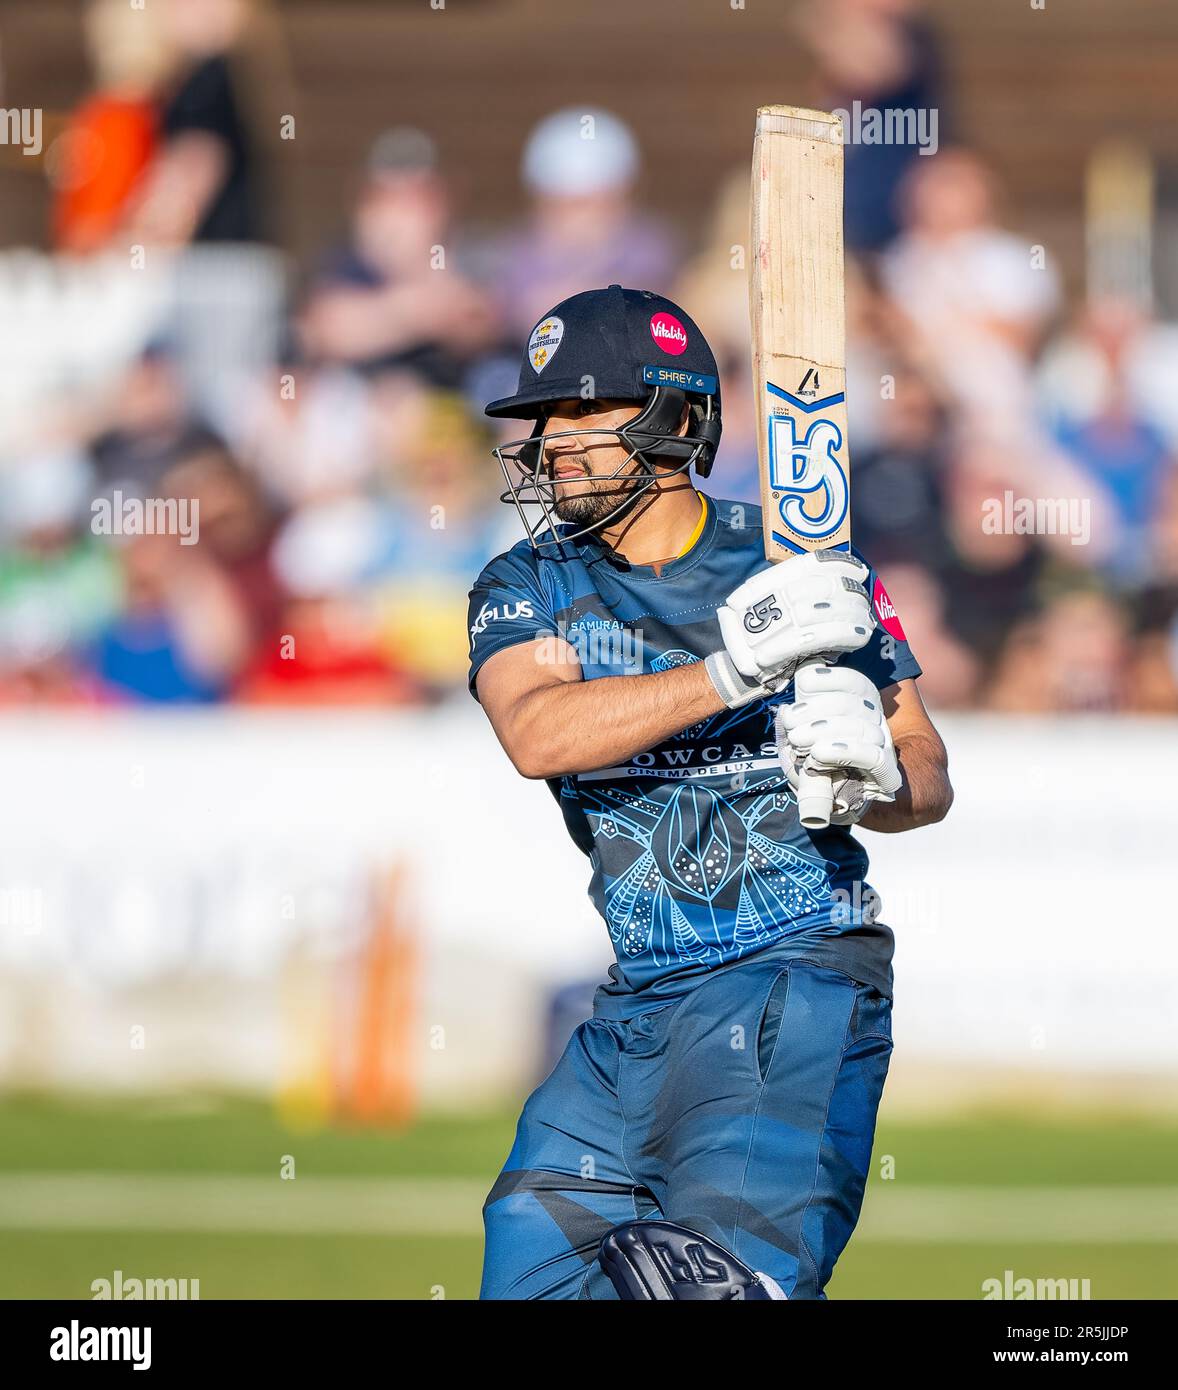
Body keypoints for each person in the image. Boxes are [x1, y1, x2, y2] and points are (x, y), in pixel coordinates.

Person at [466, 285, 953, 1300]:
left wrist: (866, 773)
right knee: (528, 1255)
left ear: (671, 418)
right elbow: (536, 732)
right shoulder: (526, 581)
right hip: (636, 998)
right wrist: (733, 672)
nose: (549, 442)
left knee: (724, 1287)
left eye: (576, 413)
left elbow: (925, 768)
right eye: (541, 418)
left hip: (794, 976)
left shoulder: (804, 562)